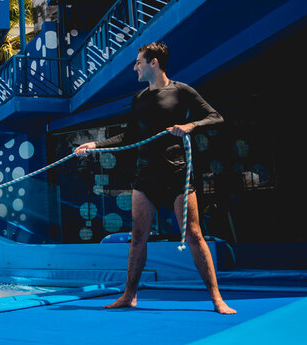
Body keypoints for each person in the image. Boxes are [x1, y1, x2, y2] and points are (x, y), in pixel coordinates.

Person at [74, 42, 236, 314]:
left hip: (177, 174)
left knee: (194, 235)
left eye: (138, 61)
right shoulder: (139, 99)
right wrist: (95, 145)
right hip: (146, 175)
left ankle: (217, 298)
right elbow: (129, 136)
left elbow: (215, 117)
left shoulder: (181, 91)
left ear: (154, 63)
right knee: (138, 236)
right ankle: (129, 295)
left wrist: (190, 125)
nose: (135, 67)